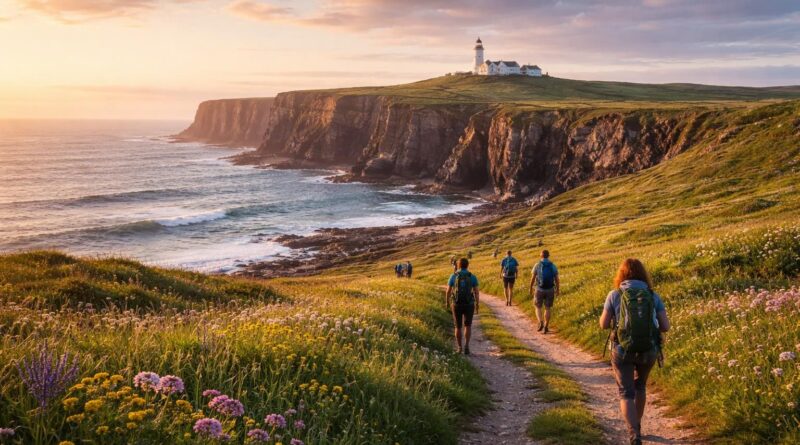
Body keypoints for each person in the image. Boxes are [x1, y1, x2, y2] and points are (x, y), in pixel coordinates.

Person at [599, 258, 670, 445]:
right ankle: (637, 425)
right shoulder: (652, 295)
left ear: (621, 274)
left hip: (622, 350)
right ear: (643, 274)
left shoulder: (615, 294)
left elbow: (604, 324)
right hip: (649, 350)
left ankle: (633, 434)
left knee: (626, 393)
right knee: (641, 387)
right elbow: (665, 327)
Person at [445, 258, 480, 355]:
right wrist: (477, 303)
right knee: (468, 326)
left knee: (458, 326)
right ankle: (467, 346)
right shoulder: (472, 276)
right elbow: (476, 292)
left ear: (458, 265)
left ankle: (459, 347)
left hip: (456, 304)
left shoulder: (453, 276)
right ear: (467, 265)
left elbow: (448, 291)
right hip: (469, 304)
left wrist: (447, 302)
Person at [529, 249, 559, 334]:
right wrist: (558, 290)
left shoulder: (537, 265)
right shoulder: (552, 265)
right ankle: (546, 326)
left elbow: (533, 277)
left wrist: (530, 287)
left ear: (541, 255)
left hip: (539, 289)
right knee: (547, 308)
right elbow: (557, 279)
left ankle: (540, 322)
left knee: (538, 307)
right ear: (548, 256)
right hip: (550, 289)